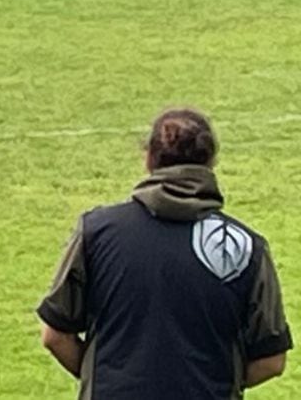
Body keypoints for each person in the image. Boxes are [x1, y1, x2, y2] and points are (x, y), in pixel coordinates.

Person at [37, 108, 291, 399]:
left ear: (148, 159)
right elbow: (271, 360)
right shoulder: (245, 247)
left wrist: (107, 380)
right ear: (210, 162)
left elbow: (55, 335)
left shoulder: (96, 232)